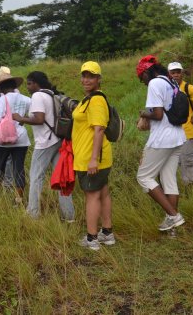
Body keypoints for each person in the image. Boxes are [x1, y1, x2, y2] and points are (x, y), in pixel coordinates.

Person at [13, 71, 75, 221]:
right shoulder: (51, 95)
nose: (27, 87)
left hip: (45, 141)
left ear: (36, 83)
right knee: (61, 178)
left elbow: (39, 119)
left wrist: (21, 118)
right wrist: (26, 119)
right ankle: (69, 216)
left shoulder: (37, 96)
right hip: (58, 139)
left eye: (29, 83)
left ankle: (33, 213)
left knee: (35, 177)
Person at [136, 55, 187, 232]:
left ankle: (174, 216)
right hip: (178, 136)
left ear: (146, 73)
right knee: (169, 180)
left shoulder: (154, 83)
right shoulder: (171, 82)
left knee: (144, 177)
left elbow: (157, 114)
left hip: (162, 138)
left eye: (141, 77)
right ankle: (172, 226)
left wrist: (143, 114)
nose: (142, 82)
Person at [73, 61, 114, 251]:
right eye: (84, 75)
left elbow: (99, 130)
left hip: (93, 158)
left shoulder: (96, 100)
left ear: (99, 79)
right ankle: (107, 233)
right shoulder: (88, 99)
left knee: (92, 196)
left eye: (91, 76)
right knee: (103, 192)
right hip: (92, 156)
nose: (86, 79)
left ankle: (92, 238)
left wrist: (93, 159)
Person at [0, 71, 31, 203]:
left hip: (3, 139)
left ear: (2, 88)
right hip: (22, 139)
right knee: (18, 168)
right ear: (14, 86)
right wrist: (20, 122)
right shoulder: (26, 99)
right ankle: (19, 198)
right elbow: (30, 116)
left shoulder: (3, 98)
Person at [167, 62, 193, 187]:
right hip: (171, 132)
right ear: (168, 74)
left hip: (187, 132)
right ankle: (176, 187)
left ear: (182, 73)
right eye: (173, 72)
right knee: (174, 162)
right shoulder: (166, 88)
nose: (176, 75)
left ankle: (190, 189)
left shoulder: (188, 88)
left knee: (188, 161)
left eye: (178, 72)